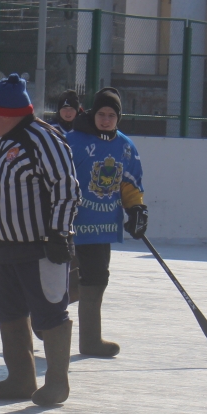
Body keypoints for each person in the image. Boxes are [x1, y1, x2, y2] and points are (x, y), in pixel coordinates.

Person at [0, 73, 80, 405]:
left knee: (50, 314)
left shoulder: (43, 139)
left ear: (6, 113)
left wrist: (58, 233)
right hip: (7, 249)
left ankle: (57, 382)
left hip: (42, 248)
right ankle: (20, 378)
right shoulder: (5, 144)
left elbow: (66, 189)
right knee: (10, 314)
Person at [62, 87, 147, 357]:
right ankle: (45, 318)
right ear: (93, 114)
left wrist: (136, 210)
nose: (106, 119)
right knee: (61, 277)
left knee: (96, 278)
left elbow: (129, 184)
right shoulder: (73, 141)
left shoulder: (124, 146)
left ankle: (90, 341)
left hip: (102, 226)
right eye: (102, 114)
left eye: (112, 115)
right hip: (70, 225)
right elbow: (57, 180)